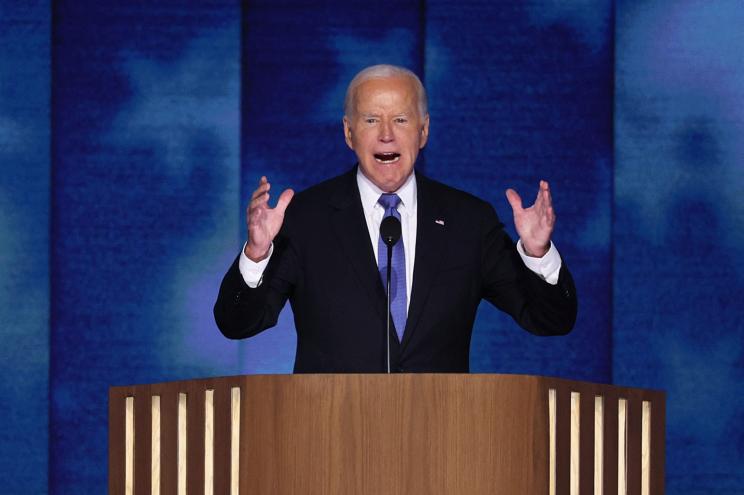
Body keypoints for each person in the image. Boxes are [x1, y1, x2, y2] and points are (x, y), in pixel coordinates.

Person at [214, 64, 577, 373]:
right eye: (371, 119)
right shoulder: (305, 219)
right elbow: (237, 324)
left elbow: (549, 320)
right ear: (348, 132)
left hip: (445, 437)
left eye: (400, 119)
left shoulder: (469, 222)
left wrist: (537, 252)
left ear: (423, 131)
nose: (386, 134)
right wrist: (257, 254)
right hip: (327, 439)